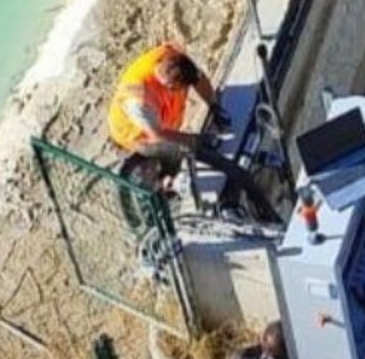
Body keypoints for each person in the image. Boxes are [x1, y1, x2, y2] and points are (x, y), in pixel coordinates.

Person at [107, 41, 280, 223]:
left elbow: (198, 78)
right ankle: (164, 189)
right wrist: (194, 140)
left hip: (159, 122)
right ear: (171, 85)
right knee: (171, 153)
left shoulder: (173, 57)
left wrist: (214, 106)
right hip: (134, 133)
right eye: (181, 89)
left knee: (180, 146)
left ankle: (169, 176)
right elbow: (157, 135)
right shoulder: (139, 98)